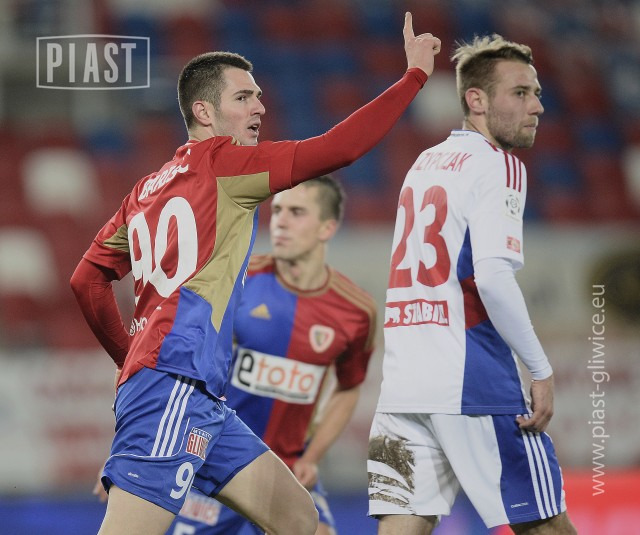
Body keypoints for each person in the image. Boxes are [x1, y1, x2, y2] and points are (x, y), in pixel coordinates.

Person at [70, 12, 440, 535]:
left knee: (298, 518)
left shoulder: (145, 190)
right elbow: (340, 148)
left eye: (259, 97)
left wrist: (128, 356)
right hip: (175, 380)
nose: (259, 107)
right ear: (204, 112)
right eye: (243, 97)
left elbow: (86, 280)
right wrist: (414, 76)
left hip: (197, 393)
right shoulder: (225, 163)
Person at [367, 34, 577, 535]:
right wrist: (540, 369)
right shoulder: (498, 164)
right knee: (545, 525)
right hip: (472, 383)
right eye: (520, 93)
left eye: (536, 93)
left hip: (402, 389)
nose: (537, 106)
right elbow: (494, 278)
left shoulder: (423, 163)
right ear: (476, 100)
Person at [164, 175, 376, 535]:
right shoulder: (237, 278)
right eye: (277, 210)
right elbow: (179, 358)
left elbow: (349, 387)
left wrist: (313, 456)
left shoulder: (356, 311)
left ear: (327, 228)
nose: (280, 221)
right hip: (217, 461)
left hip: (289, 468)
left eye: (296, 212)